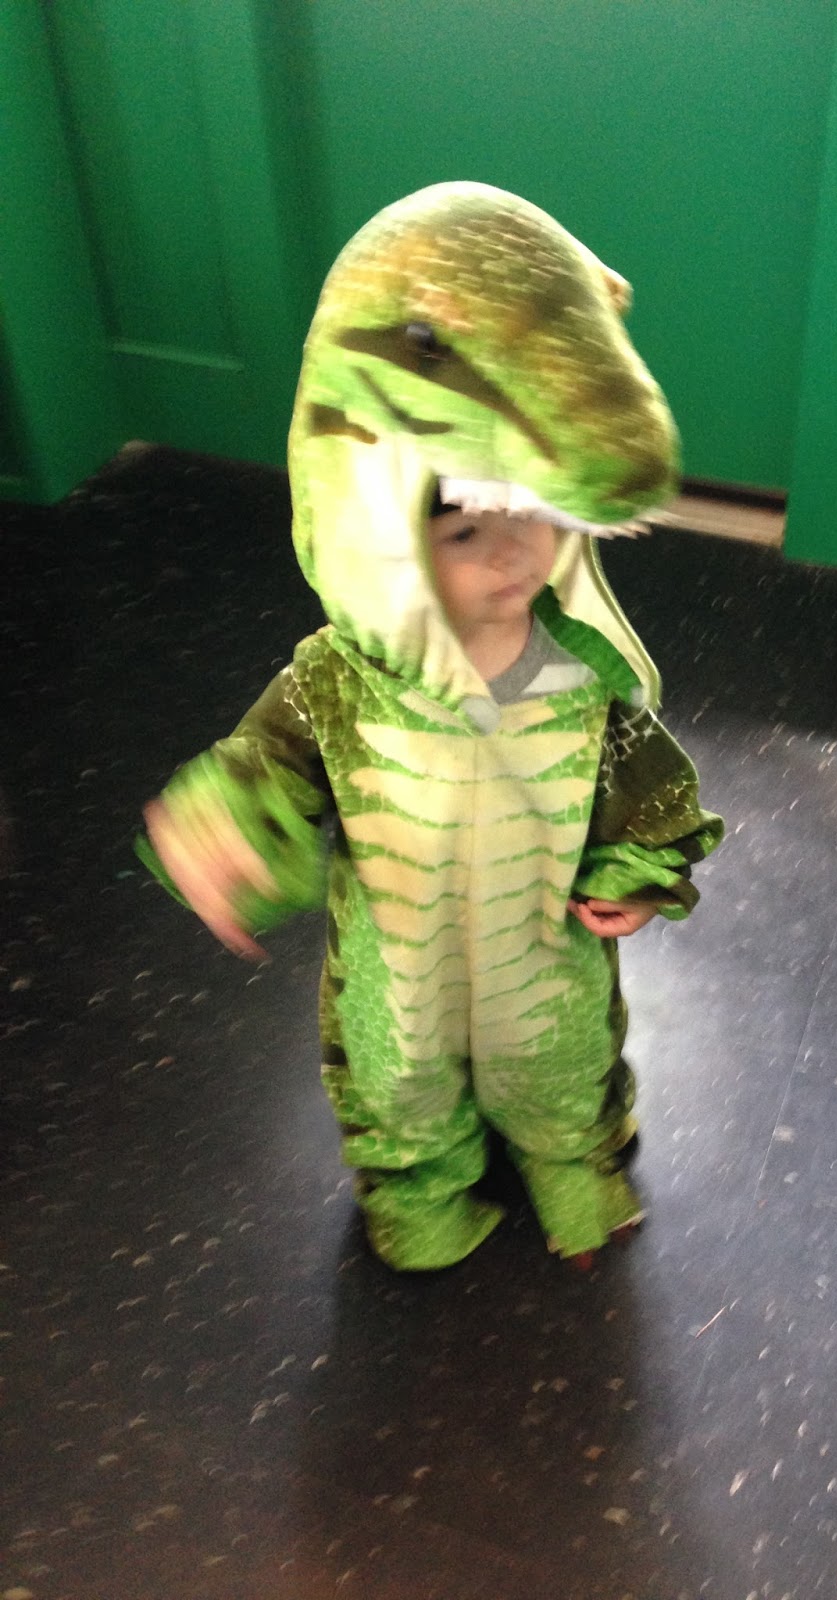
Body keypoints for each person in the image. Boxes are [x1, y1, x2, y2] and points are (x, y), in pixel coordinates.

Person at [138, 182, 723, 1271]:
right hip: (395, 967)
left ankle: (572, 1164)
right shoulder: (335, 681)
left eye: (534, 520)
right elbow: (265, 770)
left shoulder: (583, 672)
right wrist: (225, 830)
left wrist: (641, 873)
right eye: (463, 532)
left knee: (562, 1061)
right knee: (395, 1080)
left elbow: (642, 786)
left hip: (543, 949)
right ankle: (418, 1199)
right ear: (386, 526)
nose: (513, 556)